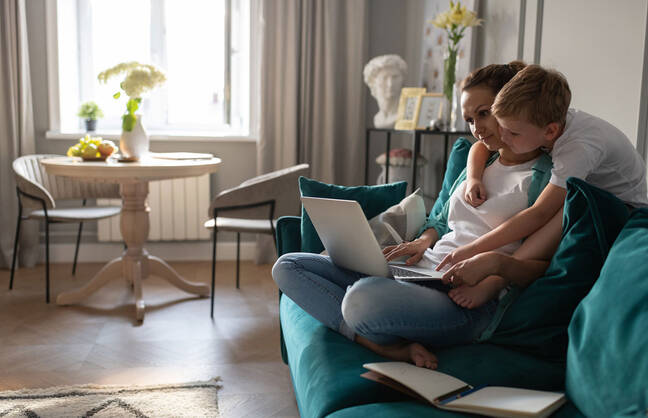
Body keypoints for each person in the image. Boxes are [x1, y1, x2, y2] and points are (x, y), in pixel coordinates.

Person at [273, 62, 556, 369]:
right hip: (426, 269)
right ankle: (384, 344)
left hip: (466, 298)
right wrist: (423, 241)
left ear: (508, 104)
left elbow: (538, 261)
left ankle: (377, 328)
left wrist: (492, 279)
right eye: (470, 119)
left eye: (484, 113)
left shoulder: (546, 179)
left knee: (361, 298)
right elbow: (441, 220)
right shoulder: (479, 163)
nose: (477, 127)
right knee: (288, 265)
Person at [437, 64, 648, 282]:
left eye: (512, 134)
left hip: (624, 209)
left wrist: (474, 248)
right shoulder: (542, 123)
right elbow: (482, 146)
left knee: (561, 209)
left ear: (551, 132)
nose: (504, 139)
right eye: (501, 129)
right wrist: (473, 177)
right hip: (594, 191)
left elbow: (539, 213)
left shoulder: (576, 149)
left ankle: (497, 281)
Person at [363, 55, 407, 128]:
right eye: (384, 78)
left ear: (403, 80)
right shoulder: (379, 118)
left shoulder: (404, 114)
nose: (390, 84)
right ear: (373, 82)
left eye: (395, 77)